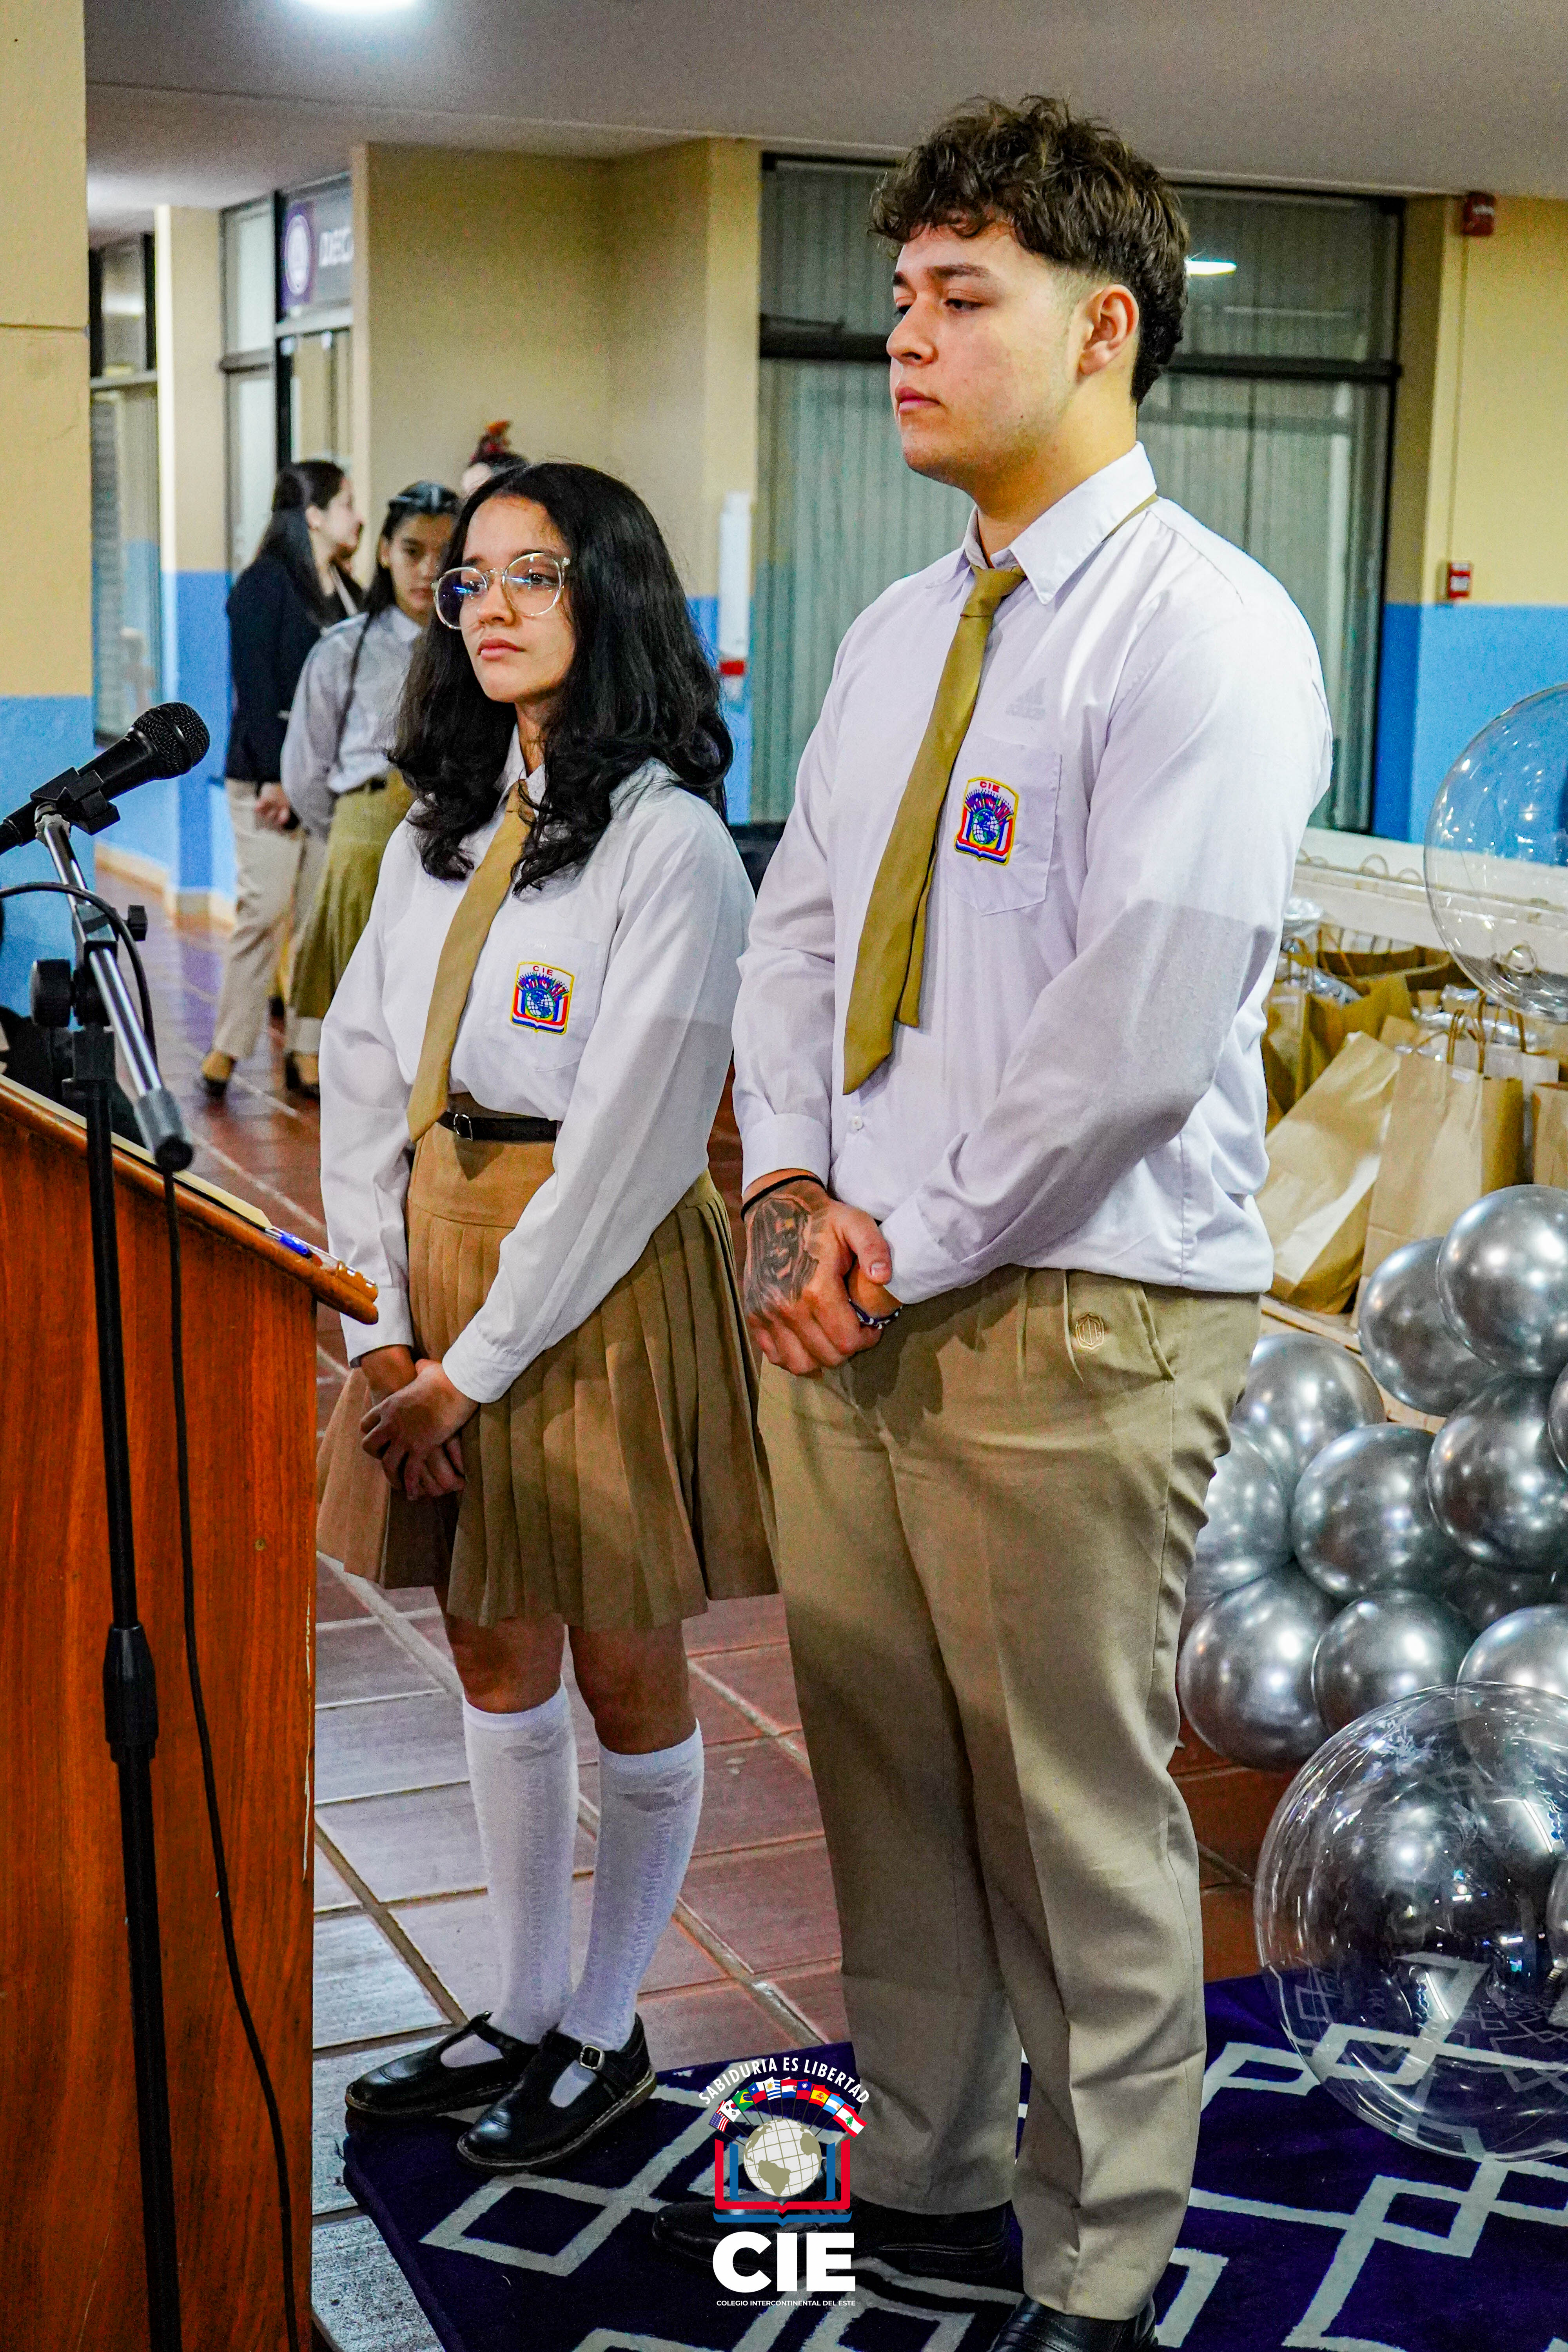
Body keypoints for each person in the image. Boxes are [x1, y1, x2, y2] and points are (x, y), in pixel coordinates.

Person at [652, 97, 1330, 2350]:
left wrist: (893, 1232)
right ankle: (932, 2177)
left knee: (1068, 1812)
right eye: (903, 297)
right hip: (860, 1288)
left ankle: (1106, 2253)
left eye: (966, 300)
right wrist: (781, 1186)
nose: (907, 342)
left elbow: (1138, 1025)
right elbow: (796, 926)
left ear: (1105, 325)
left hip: (1084, 1309)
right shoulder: (893, 632)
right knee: (882, 1772)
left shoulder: (1206, 633)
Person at [314, 459, 776, 2173]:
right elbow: (363, 1073)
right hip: (436, 1254)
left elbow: (636, 1145)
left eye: (537, 575)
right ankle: (515, 2006)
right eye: (470, 581)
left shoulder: (664, 845)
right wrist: (376, 1317)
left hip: (585, 1280)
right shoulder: (441, 830)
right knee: (494, 1644)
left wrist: (475, 1369)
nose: (491, 605)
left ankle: (606, 2024)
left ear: (616, 601)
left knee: (620, 1651)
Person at [202, 459, 363, 1101]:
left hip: (331, 783)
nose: (357, 514)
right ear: (315, 515)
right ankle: (227, 1046)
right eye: (347, 503)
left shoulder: (348, 593)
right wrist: (277, 779)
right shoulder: (263, 585)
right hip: (268, 781)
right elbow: (256, 689)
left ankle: (308, 1049)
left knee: (320, 917)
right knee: (264, 911)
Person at [283, 481, 459, 1042]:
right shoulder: (342, 649)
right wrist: (354, 828)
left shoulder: (478, 650)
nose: (428, 569)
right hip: (363, 838)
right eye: (412, 551)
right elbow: (306, 770)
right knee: (362, 1024)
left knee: (440, 1010)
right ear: (385, 552)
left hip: (456, 839)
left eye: (445, 554)